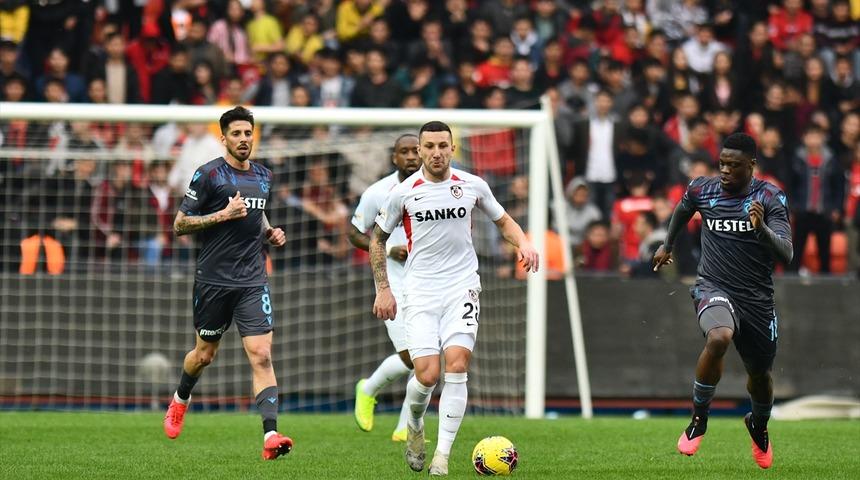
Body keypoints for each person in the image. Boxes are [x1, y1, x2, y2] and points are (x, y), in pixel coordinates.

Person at [370, 121, 539, 476]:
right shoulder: (404, 192)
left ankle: (441, 458)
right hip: (419, 292)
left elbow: (503, 220)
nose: (436, 153)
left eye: (442, 146)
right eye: (428, 146)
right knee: (427, 375)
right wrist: (383, 288)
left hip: (461, 286)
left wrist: (523, 242)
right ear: (419, 150)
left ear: (452, 148)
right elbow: (376, 239)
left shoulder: (472, 185)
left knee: (458, 364)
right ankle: (415, 424)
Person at [653, 133, 793, 470]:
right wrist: (667, 245)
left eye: (734, 165)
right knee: (719, 337)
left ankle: (758, 426)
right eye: (723, 164)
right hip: (713, 286)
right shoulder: (704, 189)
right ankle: (699, 418)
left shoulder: (770, 197)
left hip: (757, 298)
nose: (726, 170)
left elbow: (787, 253)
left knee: (760, 376)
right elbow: (684, 208)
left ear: (752, 165)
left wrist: (761, 230)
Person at [162, 106, 292, 460]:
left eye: (248, 133)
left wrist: (269, 231)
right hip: (213, 280)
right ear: (224, 138)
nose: (244, 139)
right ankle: (180, 399)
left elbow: (258, 210)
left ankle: (271, 434)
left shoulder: (264, 175)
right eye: (236, 134)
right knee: (204, 355)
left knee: (262, 354)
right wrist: (222, 214)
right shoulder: (207, 175)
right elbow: (179, 224)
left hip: (252, 279)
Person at [348, 134, 422, 442]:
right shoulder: (380, 192)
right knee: (411, 358)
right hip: (395, 285)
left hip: (432, 284)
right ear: (394, 158)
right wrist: (388, 248)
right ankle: (367, 389)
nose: (411, 156)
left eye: (415, 150)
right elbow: (354, 233)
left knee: (427, 360)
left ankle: (405, 428)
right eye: (404, 152)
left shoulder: (440, 188)